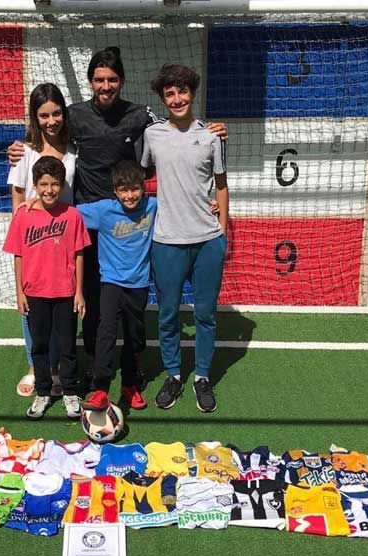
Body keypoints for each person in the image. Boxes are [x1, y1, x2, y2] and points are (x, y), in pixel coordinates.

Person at [9, 47, 228, 389]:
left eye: (112, 79)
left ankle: (133, 370)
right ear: (90, 82)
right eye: (99, 79)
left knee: (131, 306)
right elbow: (48, 136)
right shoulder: (76, 115)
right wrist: (21, 147)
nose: (105, 85)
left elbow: (176, 134)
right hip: (86, 222)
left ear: (121, 81)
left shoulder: (141, 116)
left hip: (127, 223)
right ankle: (94, 369)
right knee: (90, 302)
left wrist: (212, 131)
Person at [141, 64, 229, 414]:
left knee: (205, 314)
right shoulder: (152, 136)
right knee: (167, 315)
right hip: (166, 240)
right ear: (163, 98)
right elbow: (141, 173)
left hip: (207, 240)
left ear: (192, 93)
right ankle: (175, 374)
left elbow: (221, 185)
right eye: (170, 94)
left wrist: (222, 230)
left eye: (182, 92)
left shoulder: (211, 136)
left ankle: (203, 376)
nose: (177, 99)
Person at [2, 157, 90, 420]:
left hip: (65, 292)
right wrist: (19, 291)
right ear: (34, 185)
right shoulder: (23, 216)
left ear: (62, 185)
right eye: (43, 184)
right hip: (35, 293)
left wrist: (79, 291)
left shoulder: (72, 215)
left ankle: (69, 391)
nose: (49, 190)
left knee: (67, 346)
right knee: (39, 345)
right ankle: (43, 391)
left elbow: (79, 254)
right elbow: (18, 255)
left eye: (54, 184)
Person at [7, 83, 77, 398]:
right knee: (32, 304)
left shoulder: (75, 149)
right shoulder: (25, 151)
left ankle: (60, 367)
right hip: (34, 243)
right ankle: (36, 368)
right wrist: (21, 236)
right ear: (36, 118)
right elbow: (19, 198)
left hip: (64, 241)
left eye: (56, 113)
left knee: (62, 305)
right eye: (44, 115)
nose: (51, 121)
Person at [78, 160, 156, 412]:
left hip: (140, 284)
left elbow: (181, 208)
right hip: (110, 283)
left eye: (134, 189)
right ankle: (100, 388)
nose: (130, 195)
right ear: (115, 191)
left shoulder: (153, 206)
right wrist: (35, 205)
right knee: (107, 333)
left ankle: (130, 386)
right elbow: (68, 212)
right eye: (123, 190)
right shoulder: (103, 211)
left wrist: (207, 206)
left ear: (143, 188)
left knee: (134, 338)